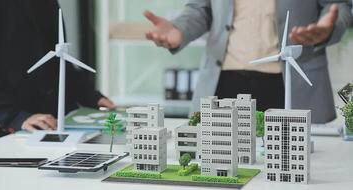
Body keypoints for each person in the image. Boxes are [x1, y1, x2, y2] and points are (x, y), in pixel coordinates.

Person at [144, 0, 352, 123]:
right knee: (217, 166)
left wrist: (328, 28)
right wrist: (179, 29)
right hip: (223, 82)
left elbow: (337, 6)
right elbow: (201, 9)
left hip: (291, 85)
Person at [0, 0, 115, 133]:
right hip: (13, 128)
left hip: (56, 122)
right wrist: (15, 117)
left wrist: (90, 95)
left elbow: (56, 57)